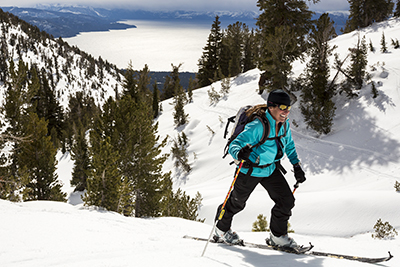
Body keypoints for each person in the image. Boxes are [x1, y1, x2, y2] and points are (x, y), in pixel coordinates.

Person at [214, 89, 306, 248]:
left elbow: (289, 145)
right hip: (249, 170)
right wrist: (240, 153)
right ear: (271, 107)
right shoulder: (258, 126)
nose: (286, 111)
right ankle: (221, 230)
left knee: (286, 200)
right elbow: (234, 145)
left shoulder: (284, 125)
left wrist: (296, 166)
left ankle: (277, 236)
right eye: (283, 107)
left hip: (270, 169)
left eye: (288, 108)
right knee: (237, 203)